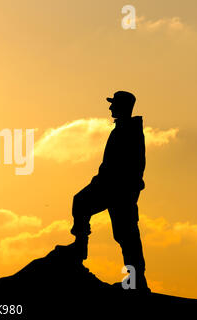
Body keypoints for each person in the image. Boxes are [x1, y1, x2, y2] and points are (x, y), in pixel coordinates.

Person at [58, 91, 149, 291]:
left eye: (113, 104)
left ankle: (135, 282)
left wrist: (119, 186)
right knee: (124, 234)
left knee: (126, 235)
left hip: (118, 190)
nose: (110, 108)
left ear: (122, 107)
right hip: (112, 187)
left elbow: (128, 166)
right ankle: (81, 249)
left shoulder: (129, 131)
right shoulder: (124, 129)